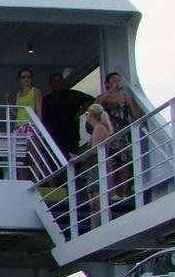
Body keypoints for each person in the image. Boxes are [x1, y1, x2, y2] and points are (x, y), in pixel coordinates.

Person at [95, 71, 144, 206]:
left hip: (122, 133)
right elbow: (95, 107)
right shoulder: (102, 98)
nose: (117, 83)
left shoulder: (126, 97)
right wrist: (109, 91)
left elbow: (135, 114)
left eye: (118, 80)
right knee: (110, 163)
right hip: (108, 134)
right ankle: (113, 192)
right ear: (107, 83)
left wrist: (143, 125)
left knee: (124, 162)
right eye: (114, 80)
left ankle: (123, 192)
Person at [40, 71, 89, 160]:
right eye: (54, 81)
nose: (57, 84)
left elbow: (90, 101)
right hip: (53, 135)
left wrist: (79, 113)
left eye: (59, 81)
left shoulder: (72, 94)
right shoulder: (46, 99)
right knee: (54, 161)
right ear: (50, 83)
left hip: (71, 134)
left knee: (73, 160)